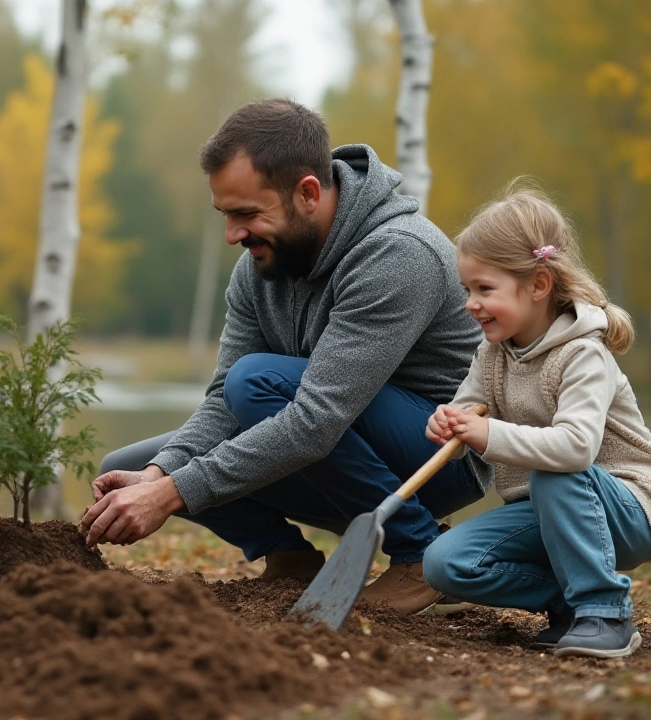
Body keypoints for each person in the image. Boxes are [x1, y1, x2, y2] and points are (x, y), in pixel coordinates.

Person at [79, 98, 490, 615]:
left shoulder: (399, 254)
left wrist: (172, 494)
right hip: (338, 445)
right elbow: (221, 404)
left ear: (309, 193)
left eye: (247, 214)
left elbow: (316, 419)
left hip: (438, 456)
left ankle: (417, 550)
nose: (233, 234)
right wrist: (160, 479)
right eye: (226, 214)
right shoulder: (261, 267)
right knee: (137, 464)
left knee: (257, 383)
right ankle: (289, 557)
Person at [421, 183, 651, 658]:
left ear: (538, 285)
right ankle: (572, 606)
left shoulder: (583, 355)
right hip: (545, 509)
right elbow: (468, 408)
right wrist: (447, 423)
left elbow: (575, 449)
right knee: (445, 564)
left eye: (484, 289)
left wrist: (487, 434)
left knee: (556, 470)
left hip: (624, 507)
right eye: (467, 289)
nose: (470, 303)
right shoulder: (492, 352)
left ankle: (605, 611)